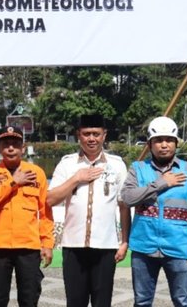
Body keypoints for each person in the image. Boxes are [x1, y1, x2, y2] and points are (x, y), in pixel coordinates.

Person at [121, 116, 187, 307]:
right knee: (142, 301)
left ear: (176, 143)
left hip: (179, 247)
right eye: (158, 140)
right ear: (150, 144)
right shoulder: (138, 169)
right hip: (144, 247)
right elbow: (127, 198)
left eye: (168, 140)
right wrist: (162, 183)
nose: (164, 145)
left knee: (182, 301)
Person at [48, 113, 129, 307]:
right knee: (75, 302)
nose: (91, 139)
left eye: (96, 134)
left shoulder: (116, 165)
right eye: (86, 134)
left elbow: (124, 206)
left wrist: (125, 241)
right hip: (73, 246)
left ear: (104, 135)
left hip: (105, 246)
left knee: (102, 302)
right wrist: (76, 178)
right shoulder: (67, 164)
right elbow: (50, 199)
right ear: (79, 135)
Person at [0, 125, 53, 307]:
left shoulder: (37, 173)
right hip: (0, 245)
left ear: (23, 147)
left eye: (15, 144)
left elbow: (45, 212)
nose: (10, 148)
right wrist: (13, 182)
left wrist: (47, 243)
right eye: (6, 144)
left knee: (29, 298)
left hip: (28, 246)